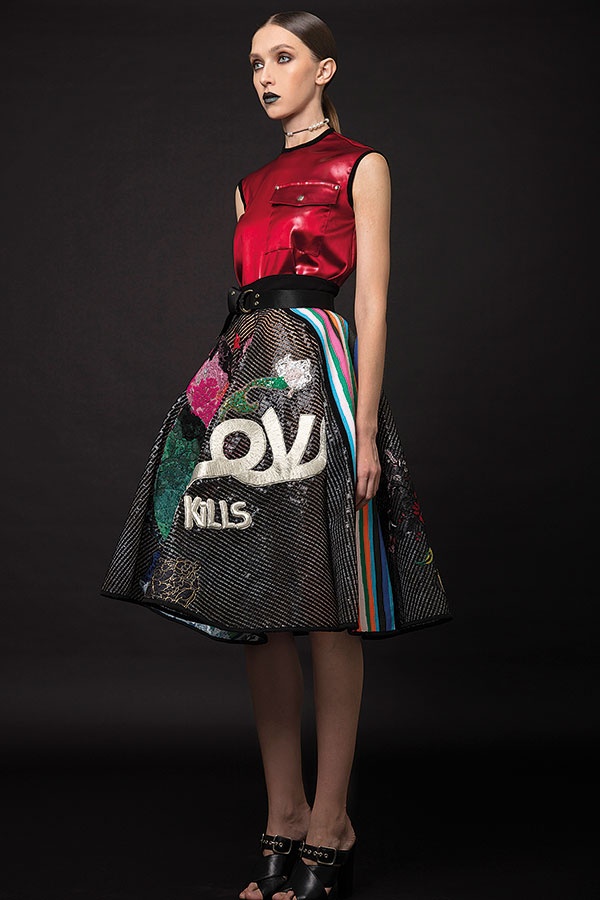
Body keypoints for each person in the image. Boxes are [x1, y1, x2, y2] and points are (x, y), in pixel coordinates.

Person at [101, 10, 452, 899]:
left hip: (322, 382)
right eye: (256, 61)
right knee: (261, 607)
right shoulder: (249, 184)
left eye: (284, 57)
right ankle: (283, 813)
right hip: (249, 389)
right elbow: (246, 300)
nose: (265, 74)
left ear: (324, 69)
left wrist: (363, 426)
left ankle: (332, 820)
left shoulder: (360, 165)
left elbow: (371, 302)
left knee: (329, 605)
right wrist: (212, 403)